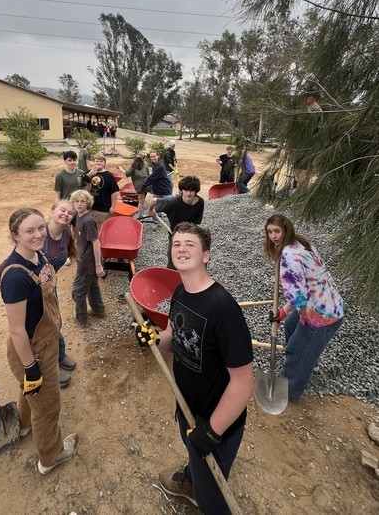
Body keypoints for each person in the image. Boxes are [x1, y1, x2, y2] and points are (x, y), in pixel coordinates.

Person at [134, 223, 254, 513]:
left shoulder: (224, 310)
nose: (181, 249)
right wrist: (155, 338)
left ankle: (206, 496)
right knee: (195, 458)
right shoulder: (180, 292)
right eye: (176, 244)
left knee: (213, 496)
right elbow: (173, 339)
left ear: (206, 256)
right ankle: (192, 481)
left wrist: (212, 432)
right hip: (187, 406)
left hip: (217, 422)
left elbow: (244, 383)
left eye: (190, 244)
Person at [0, 200, 78, 388]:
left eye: (70, 212)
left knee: (55, 324)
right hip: (32, 292)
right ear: (52, 212)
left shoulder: (66, 235)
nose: (66, 214)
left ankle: (60, 355)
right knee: (37, 331)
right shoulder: (37, 237)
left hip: (48, 287)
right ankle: (50, 366)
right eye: (62, 209)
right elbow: (8, 265)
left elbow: (70, 255)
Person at [0, 207, 79, 474]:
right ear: (15, 235)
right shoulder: (16, 277)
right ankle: (50, 457)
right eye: (29, 231)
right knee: (47, 407)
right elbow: (16, 330)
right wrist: (30, 366)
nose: (38, 235)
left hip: (46, 341)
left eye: (40, 228)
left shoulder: (38, 255)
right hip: (33, 350)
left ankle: (23, 425)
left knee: (32, 393)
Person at [264, 214, 344, 403]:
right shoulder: (300, 242)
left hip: (321, 314)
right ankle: (309, 360)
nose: (273, 236)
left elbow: (299, 298)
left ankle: (289, 389)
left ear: (286, 230)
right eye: (269, 232)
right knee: (291, 326)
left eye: (277, 231)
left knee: (295, 350)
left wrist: (283, 311)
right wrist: (286, 313)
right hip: (329, 301)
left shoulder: (289, 256)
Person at [148, 176, 204, 268]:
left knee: (189, 257)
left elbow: (197, 222)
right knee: (173, 259)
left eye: (192, 190)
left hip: (190, 233)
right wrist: (151, 211)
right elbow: (154, 200)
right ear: (181, 190)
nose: (189, 193)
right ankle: (171, 272)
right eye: (186, 190)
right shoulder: (173, 202)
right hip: (174, 234)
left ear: (196, 191)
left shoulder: (200, 202)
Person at [69, 190, 106, 327]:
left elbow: (96, 243)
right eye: (76, 201)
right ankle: (99, 310)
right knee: (92, 286)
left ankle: (82, 319)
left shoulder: (88, 220)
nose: (79, 204)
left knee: (77, 291)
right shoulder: (78, 217)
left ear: (88, 203)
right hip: (84, 258)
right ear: (73, 203)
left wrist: (98, 265)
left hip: (88, 262)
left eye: (82, 201)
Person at [294, 89, 323, 192]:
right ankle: (300, 191)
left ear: (315, 97)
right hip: (302, 145)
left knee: (303, 169)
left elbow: (310, 129)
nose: (306, 99)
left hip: (307, 146)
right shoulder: (309, 110)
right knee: (298, 169)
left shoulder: (316, 111)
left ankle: (301, 192)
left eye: (308, 96)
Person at [138, 151, 173, 224]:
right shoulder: (154, 164)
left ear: (158, 156)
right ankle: (156, 221)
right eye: (151, 157)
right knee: (155, 207)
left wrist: (142, 187)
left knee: (170, 206)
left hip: (165, 190)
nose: (153, 158)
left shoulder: (160, 166)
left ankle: (175, 221)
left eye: (154, 156)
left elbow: (151, 178)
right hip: (157, 190)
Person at [86, 154, 119, 228]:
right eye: (97, 161)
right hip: (88, 208)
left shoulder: (109, 176)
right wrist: (89, 175)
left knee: (100, 230)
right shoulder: (88, 173)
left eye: (101, 161)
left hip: (102, 210)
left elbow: (115, 192)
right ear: (93, 162)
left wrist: (113, 206)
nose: (99, 163)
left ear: (104, 163)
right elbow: (82, 186)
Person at [117, 150, 149, 219]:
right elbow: (148, 175)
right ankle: (143, 213)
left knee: (141, 201)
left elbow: (127, 174)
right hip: (146, 184)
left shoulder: (134, 166)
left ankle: (140, 215)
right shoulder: (145, 165)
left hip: (140, 186)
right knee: (143, 199)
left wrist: (121, 169)